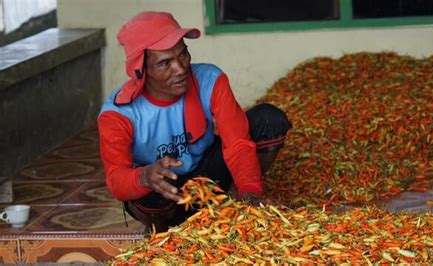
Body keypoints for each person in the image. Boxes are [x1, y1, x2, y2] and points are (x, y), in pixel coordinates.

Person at [97, 11, 292, 232]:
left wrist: (250, 192)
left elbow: (237, 143)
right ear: (141, 70)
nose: (180, 69)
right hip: (163, 191)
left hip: (207, 174)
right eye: (165, 63)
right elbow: (115, 179)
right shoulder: (119, 113)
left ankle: (235, 201)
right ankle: (165, 229)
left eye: (182, 54)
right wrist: (144, 176)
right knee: (150, 191)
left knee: (268, 119)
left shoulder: (210, 80)